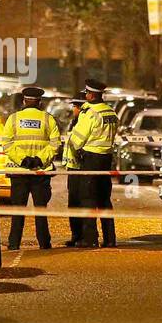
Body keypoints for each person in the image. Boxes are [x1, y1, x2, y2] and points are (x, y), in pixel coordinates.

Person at [0, 86, 61, 250]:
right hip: (40, 172)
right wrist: (39, 159)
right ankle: (44, 244)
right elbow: (55, 143)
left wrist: (23, 159)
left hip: (19, 171)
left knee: (18, 210)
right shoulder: (48, 119)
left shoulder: (13, 119)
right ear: (40, 102)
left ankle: (14, 244)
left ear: (24, 101)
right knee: (41, 210)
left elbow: (6, 143)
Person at [66, 79, 119, 248]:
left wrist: (75, 145)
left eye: (87, 93)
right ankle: (110, 239)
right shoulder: (110, 112)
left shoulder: (89, 112)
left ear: (91, 94)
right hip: (106, 159)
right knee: (104, 199)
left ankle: (90, 239)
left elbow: (77, 139)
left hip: (91, 159)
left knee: (88, 198)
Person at [62, 99, 86, 246]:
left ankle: (82, 236)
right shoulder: (75, 121)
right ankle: (76, 235)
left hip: (81, 168)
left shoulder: (83, 121)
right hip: (73, 167)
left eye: (75, 107)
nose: (73, 110)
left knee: (80, 202)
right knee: (73, 203)